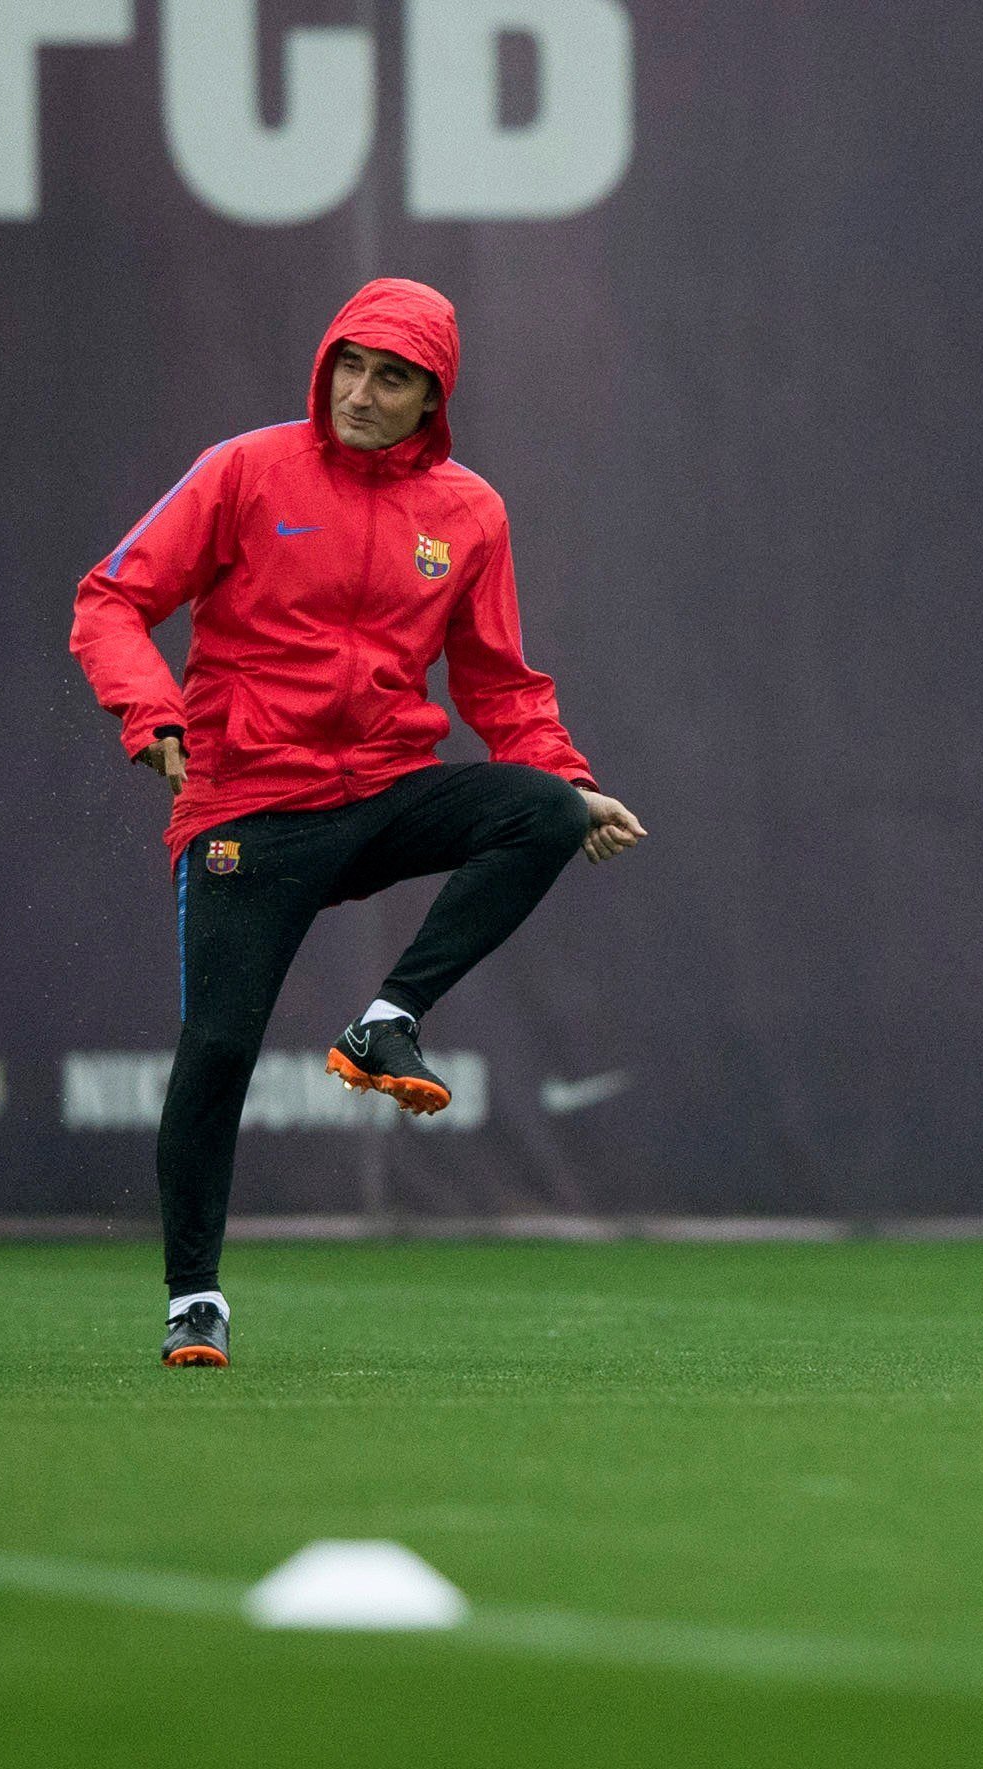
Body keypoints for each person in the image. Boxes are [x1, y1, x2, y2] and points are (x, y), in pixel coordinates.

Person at [70, 276, 644, 1369]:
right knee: (220, 1050)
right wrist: (148, 712)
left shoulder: (468, 512)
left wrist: (572, 780)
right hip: (249, 801)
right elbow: (110, 598)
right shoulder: (245, 470)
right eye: (351, 365)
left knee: (539, 807)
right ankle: (195, 1296)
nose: (362, 392)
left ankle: (388, 1019)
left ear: (435, 401)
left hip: (381, 790)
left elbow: (503, 688)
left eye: (393, 378)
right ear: (325, 361)